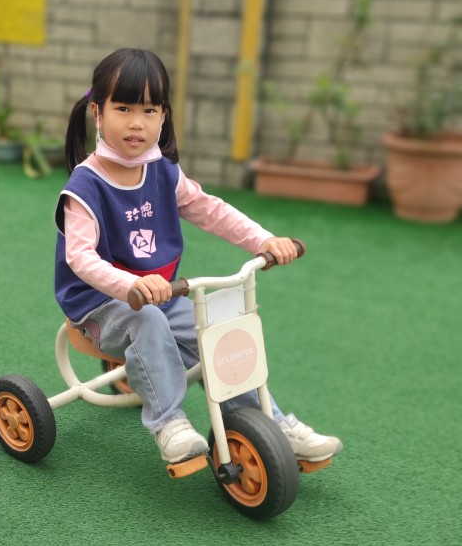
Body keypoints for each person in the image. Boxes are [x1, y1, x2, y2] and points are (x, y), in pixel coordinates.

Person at [55, 47, 343, 466]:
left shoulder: (162, 172)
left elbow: (211, 210)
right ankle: (168, 422)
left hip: (161, 296)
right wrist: (132, 284)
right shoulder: (85, 187)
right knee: (147, 321)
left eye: (149, 110)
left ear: (164, 116)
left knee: (218, 331)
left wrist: (263, 240)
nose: (137, 122)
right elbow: (81, 258)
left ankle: (271, 422)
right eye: (123, 109)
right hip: (98, 308)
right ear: (97, 113)